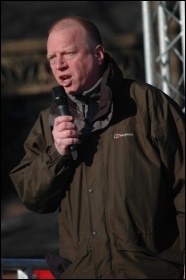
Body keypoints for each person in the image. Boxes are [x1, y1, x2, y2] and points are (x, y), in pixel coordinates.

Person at [9, 16, 185, 279]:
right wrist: (57, 154)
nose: (59, 66)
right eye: (52, 58)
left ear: (98, 54)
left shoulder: (146, 104)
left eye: (68, 53)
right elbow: (33, 198)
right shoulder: (50, 122)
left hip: (148, 271)